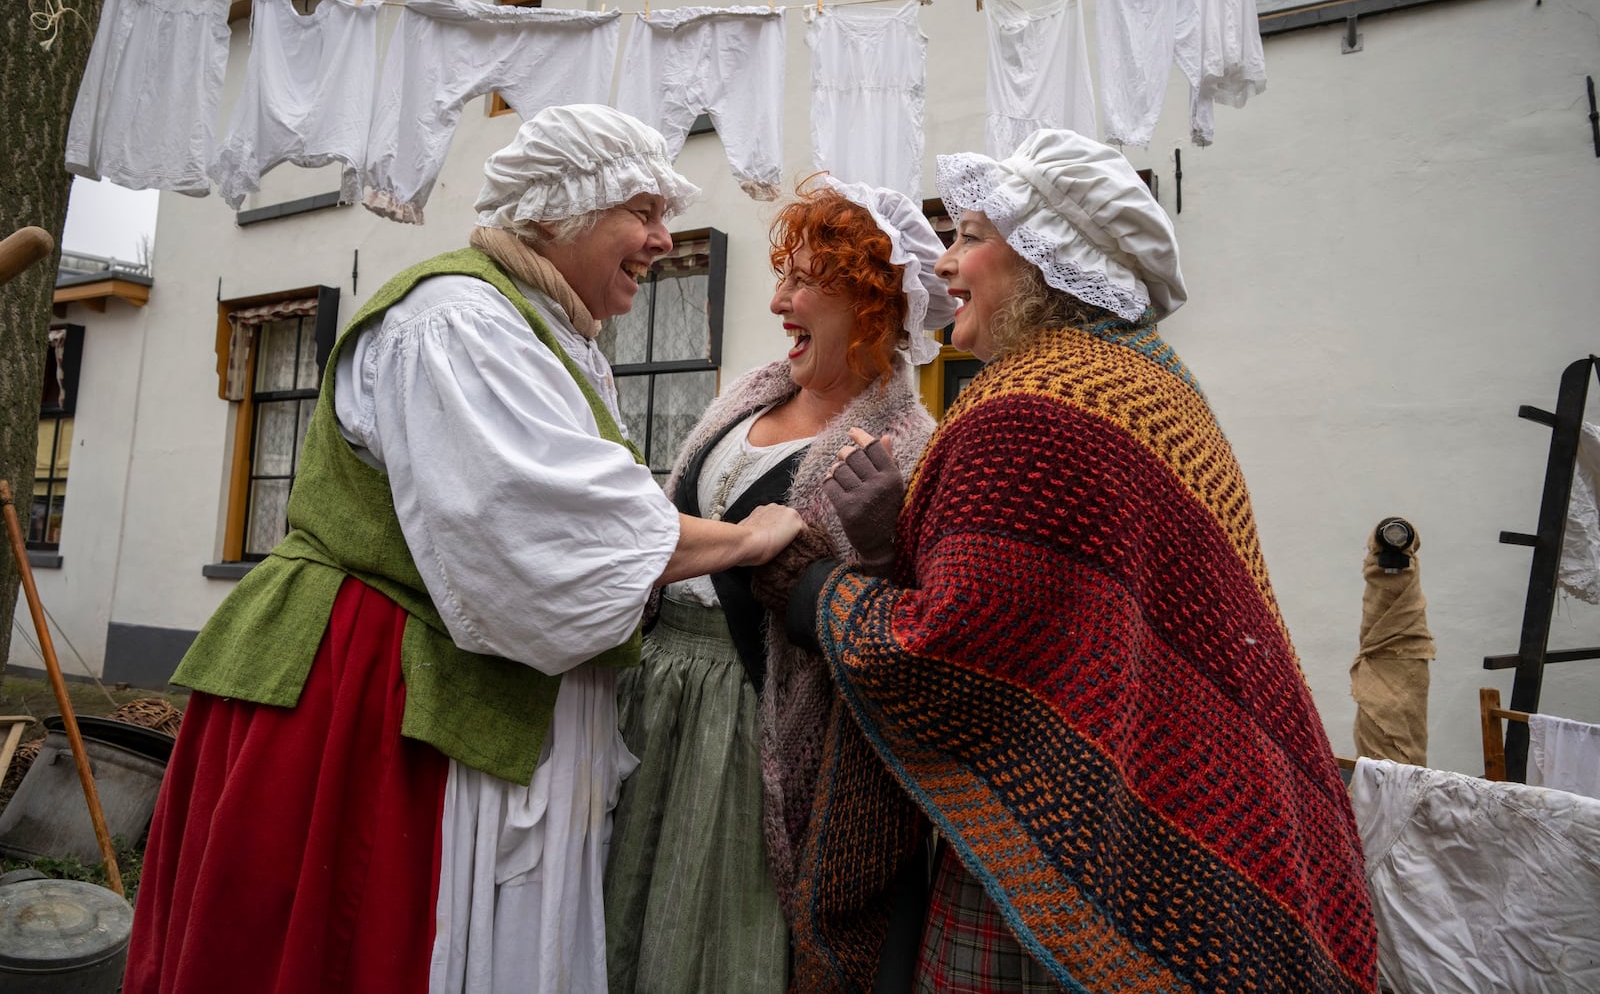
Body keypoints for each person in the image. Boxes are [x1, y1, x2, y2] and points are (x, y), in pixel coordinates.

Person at [123, 104, 804, 994]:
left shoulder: (540, 325)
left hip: (428, 676)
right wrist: (751, 537)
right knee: (356, 940)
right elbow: (552, 524)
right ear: (563, 211)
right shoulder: (454, 321)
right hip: (368, 687)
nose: (659, 238)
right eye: (639, 211)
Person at [788, 129, 1380, 993]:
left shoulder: (1024, 408)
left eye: (972, 237)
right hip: (1183, 813)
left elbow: (951, 650)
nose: (948, 264)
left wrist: (812, 584)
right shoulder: (1158, 381)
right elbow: (1058, 621)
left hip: (1064, 852)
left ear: (1041, 260)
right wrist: (896, 539)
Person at [603, 175, 956, 994]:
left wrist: (875, 552)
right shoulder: (750, 392)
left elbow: (907, 629)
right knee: (627, 915)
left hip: (750, 734)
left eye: (802, 281)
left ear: (869, 302)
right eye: (781, 275)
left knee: (710, 937)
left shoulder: (909, 444)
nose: (778, 301)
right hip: (657, 703)